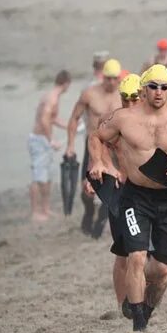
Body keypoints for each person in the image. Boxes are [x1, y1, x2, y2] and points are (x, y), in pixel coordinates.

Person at [87, 64, 167, 331]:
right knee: (137, 256)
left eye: (164, 87)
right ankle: (138, 325)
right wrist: (97, 162)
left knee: (161, 270)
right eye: (153, 86)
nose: (159, 92)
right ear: (143, 88)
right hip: (135, 197)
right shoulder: (124, 118)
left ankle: (145, 308)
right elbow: (97, 137)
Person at [85, 73, 141, 314]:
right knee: (124, 250)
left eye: (135, 98)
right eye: (125, 98)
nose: (130, 103)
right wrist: (102, 166)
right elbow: (96, 141)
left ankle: (142, 296)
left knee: (146, 252)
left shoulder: (155, 120)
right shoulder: (112, 120)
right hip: (120, 189)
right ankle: (122, 306)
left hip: (148, 190)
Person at [65, 59, 123, 237]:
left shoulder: (124, 95)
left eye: (114, 78)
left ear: (119, 78)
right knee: (87, 190)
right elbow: (74, 118)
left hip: (115, 148)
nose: (111, 82)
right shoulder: (89, 94)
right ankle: (89, 211)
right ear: (102, 76)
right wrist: (70, 145)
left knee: (114, 185)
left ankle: (102, 218)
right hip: (92, 146)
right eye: (108, 78)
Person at [29, 70, 71, 222]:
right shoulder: (52, 98)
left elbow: (52, 118)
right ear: (66, 83)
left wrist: (69, 126)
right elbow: (44, 119)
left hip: (43, 139)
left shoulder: (52, 96)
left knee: (46, 177)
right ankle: (35, 212)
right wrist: (51, 139)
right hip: (39, 140)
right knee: (38, 177)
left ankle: (45, 210)